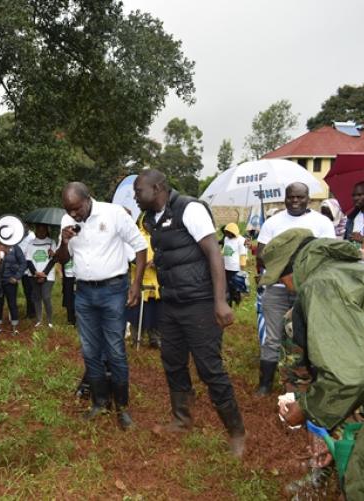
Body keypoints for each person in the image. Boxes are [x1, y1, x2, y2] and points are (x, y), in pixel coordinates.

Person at [262, 228, 364, 499]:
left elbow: (349, 377)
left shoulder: (323, 286)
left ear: (292, 269)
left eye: (283, 280)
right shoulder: (354, 272)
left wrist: (307, 410)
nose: (287, 287)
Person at [134, 170, 245, 456]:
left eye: (139, 191)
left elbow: (213, 254)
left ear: (157, 188)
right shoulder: (151, 220)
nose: (135, 197)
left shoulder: (190, 209)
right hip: (171, 303)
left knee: (210, 368)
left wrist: (220, 301)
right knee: (172, 361)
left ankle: (236, 433)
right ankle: (182, 420)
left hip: (199, 302)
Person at [55, 182, 147, 430]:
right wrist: (64, 242)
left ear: (88, 199)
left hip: (113, 291)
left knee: (115, 350)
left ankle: (123, 409)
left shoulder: (113, 213)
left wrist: (136, 285)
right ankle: (99, 402)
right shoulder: (67, 222)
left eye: (76, 208)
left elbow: (140, 248)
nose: (73, 214)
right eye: (68, 209)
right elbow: (62, 259)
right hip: (84, 293)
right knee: (90, 350)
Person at [255, 183, 335, 395]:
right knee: (272, 337)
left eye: (300, 197)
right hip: (277, 288)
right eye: (291, 197)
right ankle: (265, 384)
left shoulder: (322, 222)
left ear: (309, 198)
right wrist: (285, 265)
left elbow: (329, 254)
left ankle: (308, 384)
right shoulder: (273, 223)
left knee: (308, 336)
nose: (295, 201)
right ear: (285, 198)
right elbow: (261, 254)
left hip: (309, 291)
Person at [127, 213, 161, 348]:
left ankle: (155, 339)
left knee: (156, 314)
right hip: (140, 281)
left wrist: (157, 262)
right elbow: (131, 257)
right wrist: (143, 263)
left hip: (156, 282)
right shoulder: (136, 237)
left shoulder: (159, 238)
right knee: (137, 313)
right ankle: (136, 338)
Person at [26, 224, 57, 328]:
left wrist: (44, 274)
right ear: (36, 231)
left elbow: (53, 260)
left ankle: (50, 321)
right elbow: (28, 260)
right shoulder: (31, 243)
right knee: (37, 297)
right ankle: (39, 320)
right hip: (33, 274)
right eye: (39, 229)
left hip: (48, 276)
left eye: (44, 229)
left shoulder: (52, 242)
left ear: (47, 230)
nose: (41, 231)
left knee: (46, 297)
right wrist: (36, 273)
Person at [0, 243, 25, 335]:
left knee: (12, 304)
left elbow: (23, 263)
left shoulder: (15, 248)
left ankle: (14, 328)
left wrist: (16, 277)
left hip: (10, 281)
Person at [221, 222, 247, 307]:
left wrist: (242, 269)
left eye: (229, 233)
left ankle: (237, 302)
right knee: (228, 287)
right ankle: (229, 303)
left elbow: (243, 254)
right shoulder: (226, 239)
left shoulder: (241, 240)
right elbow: (225, 250)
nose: (227, 235)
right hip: (226, 267)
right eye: (226, 233)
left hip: (236, 268)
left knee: (236, 287)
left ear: (233, 232)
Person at [18, 227, 37, 320]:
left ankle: (33, 313)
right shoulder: (19, 237)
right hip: (23, 270)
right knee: (27, 292)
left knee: (32, 293)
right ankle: (29, 312)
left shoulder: (32, 237)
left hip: (31, 270)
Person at [60, 255, 76, 326]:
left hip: (77, 277)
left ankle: (78, 319)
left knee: (77, 298)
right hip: (67, 278)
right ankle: (70, 320)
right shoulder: (63, 248)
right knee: (68, 298)